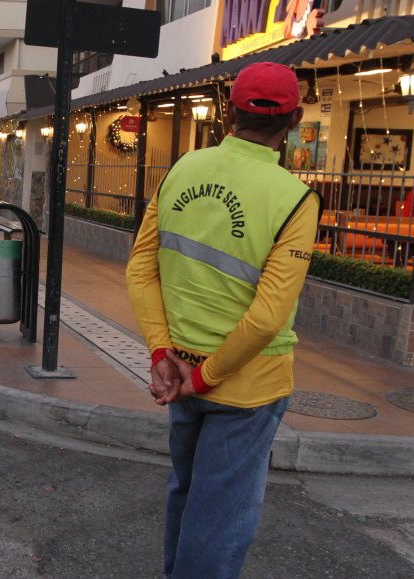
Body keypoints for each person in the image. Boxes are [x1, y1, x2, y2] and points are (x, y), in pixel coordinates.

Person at [126, 62, 320, 579]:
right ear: (295, 119)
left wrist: (163, 355)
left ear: (227, 110)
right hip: (245, 388)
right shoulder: (295, 199)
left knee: (187, 495)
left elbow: (141, 270)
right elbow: (267, 318)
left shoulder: (181, 169)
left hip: (179, 374)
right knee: (220, 515)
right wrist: (207, 376)